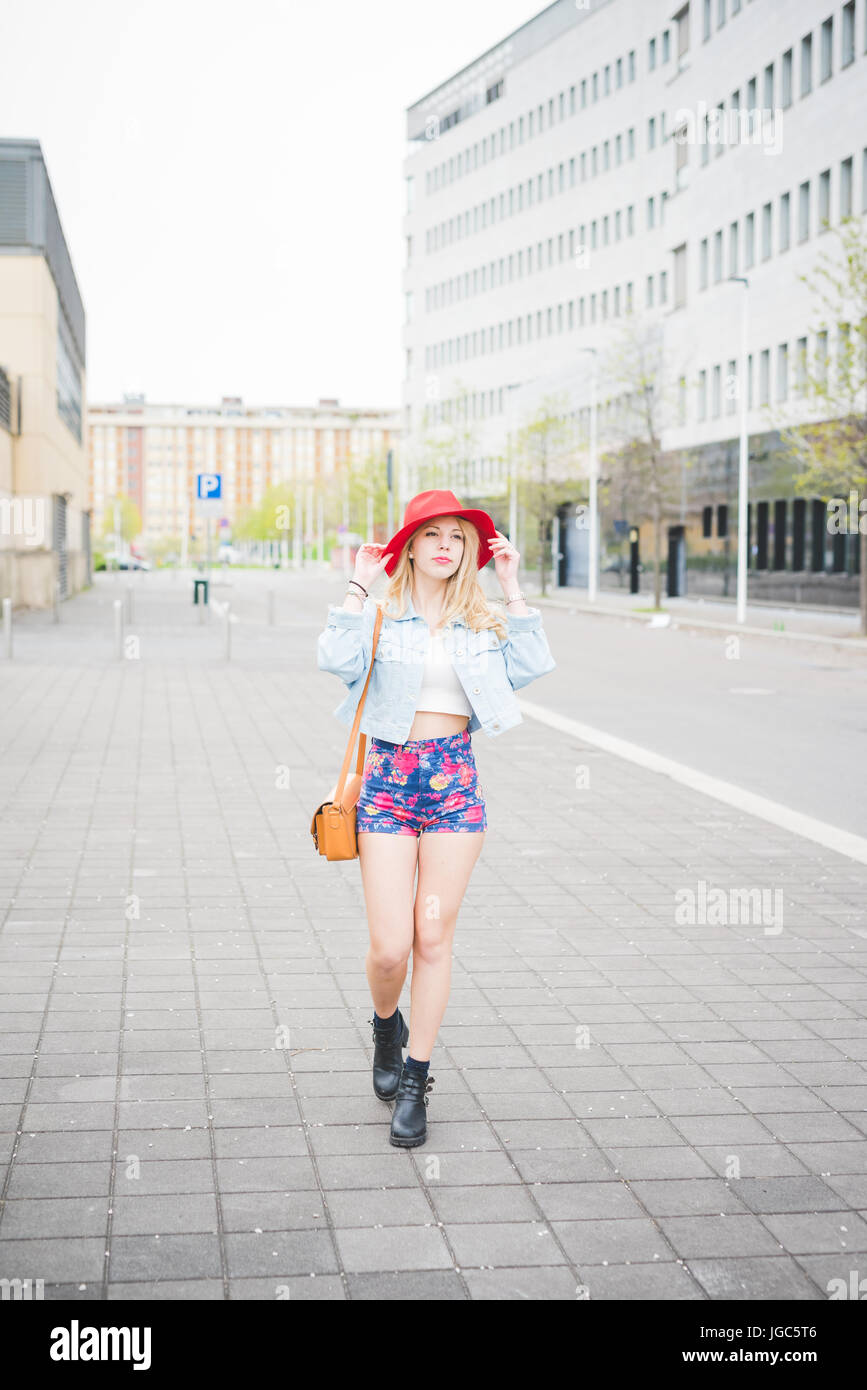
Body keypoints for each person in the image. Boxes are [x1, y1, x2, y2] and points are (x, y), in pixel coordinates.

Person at [316, 490, 556, 1147]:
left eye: (458, 536)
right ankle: (384, 1025)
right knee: (390, 947)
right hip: (388, 784)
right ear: (412, 546)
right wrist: (357, 587)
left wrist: (511, 586)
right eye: (434, 534)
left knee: (432, 939)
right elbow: (335, 663)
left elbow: (533, 666)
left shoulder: (480, 621)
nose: (447, 545)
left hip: (453, 785)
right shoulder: (381, 615)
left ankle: (417, 1078)